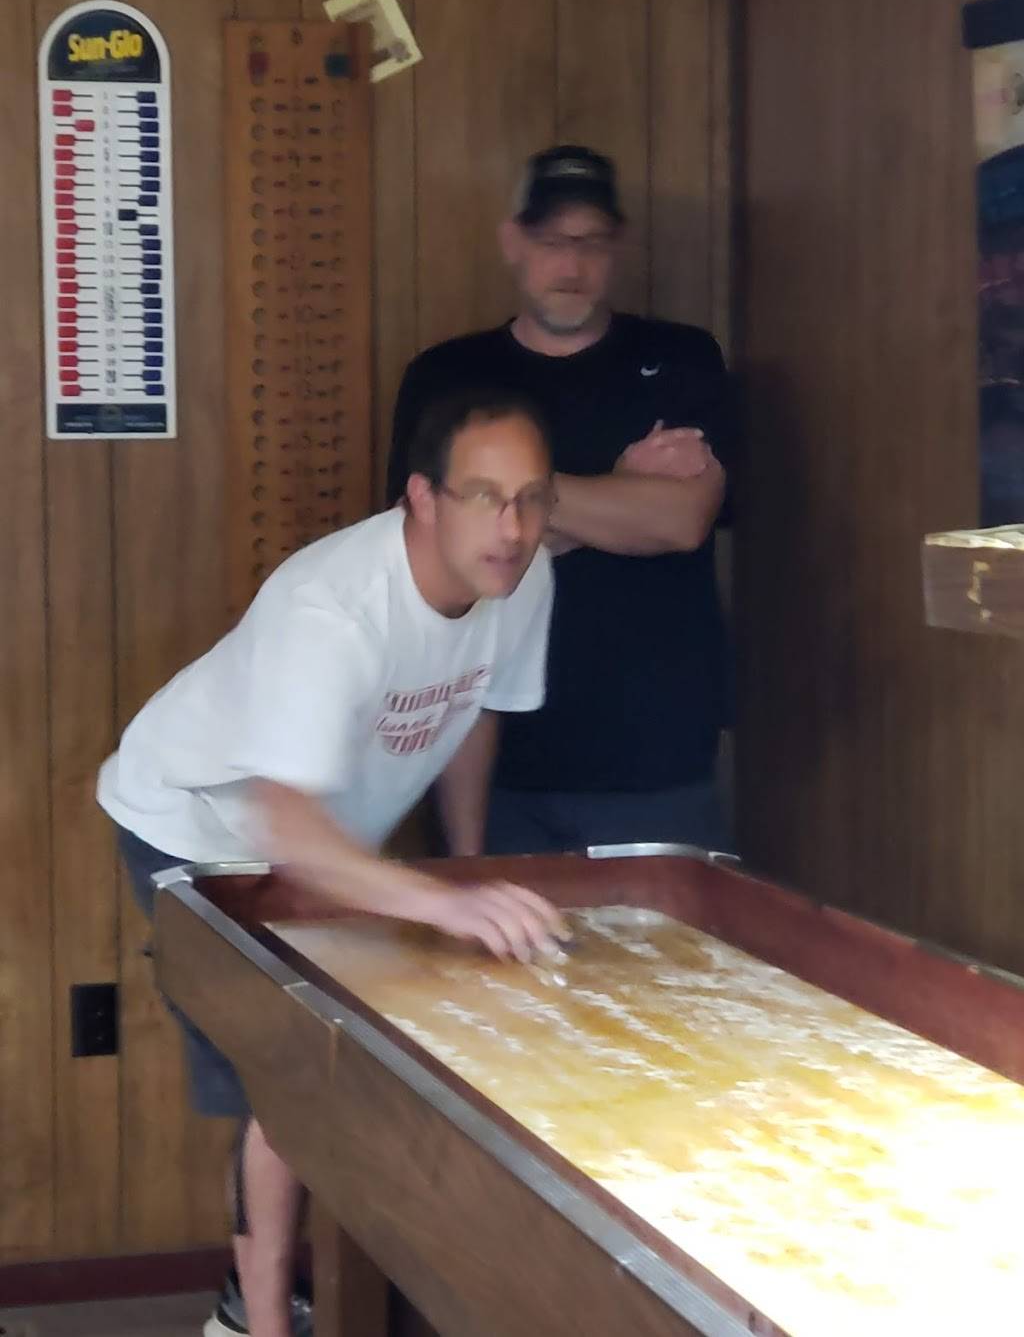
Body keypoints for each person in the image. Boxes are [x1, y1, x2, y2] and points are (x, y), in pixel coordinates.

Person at [97, 391, 568, 1337]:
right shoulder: (333, 608)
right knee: (288, 1072)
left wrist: (465, 868)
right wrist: (440, 903)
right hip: (193, 825)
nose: (512, 527)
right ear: (422, 498)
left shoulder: (526, 577)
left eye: (531, 498)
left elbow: (477, 711)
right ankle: (255, 1322)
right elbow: (288, 832)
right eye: (484, 496)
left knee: (337, 1057)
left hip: (328, 838)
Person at [387, 144, 735, 856]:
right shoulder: (447, 377)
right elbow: (431, 549)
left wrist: (498, 506)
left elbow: (681, 519)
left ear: (619, 246)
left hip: (657, 755)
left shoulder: (682, 358)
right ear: (512, 242)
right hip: (488, 755)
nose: (571, 265)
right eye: (551, 241)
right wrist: (620, 480)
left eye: (591, 242)